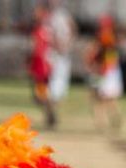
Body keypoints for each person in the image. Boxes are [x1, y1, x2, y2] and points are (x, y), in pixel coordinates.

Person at [87, 14, 123, 133]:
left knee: (102, 98)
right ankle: (102, 122)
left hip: (106, 71)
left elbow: (108, 58)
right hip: (105, 71)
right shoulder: (108, 39)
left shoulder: (107, 39)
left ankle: (103, 121)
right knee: (101, 98)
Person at [44, 0, 75, 128]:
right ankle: (50, 112)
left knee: (59, 89)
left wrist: (67, 43)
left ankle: (52, 112)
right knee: (49, 87)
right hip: (51, 56)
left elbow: (72, 28)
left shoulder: (63, 15)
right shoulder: (47, 16)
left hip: (62, 56)